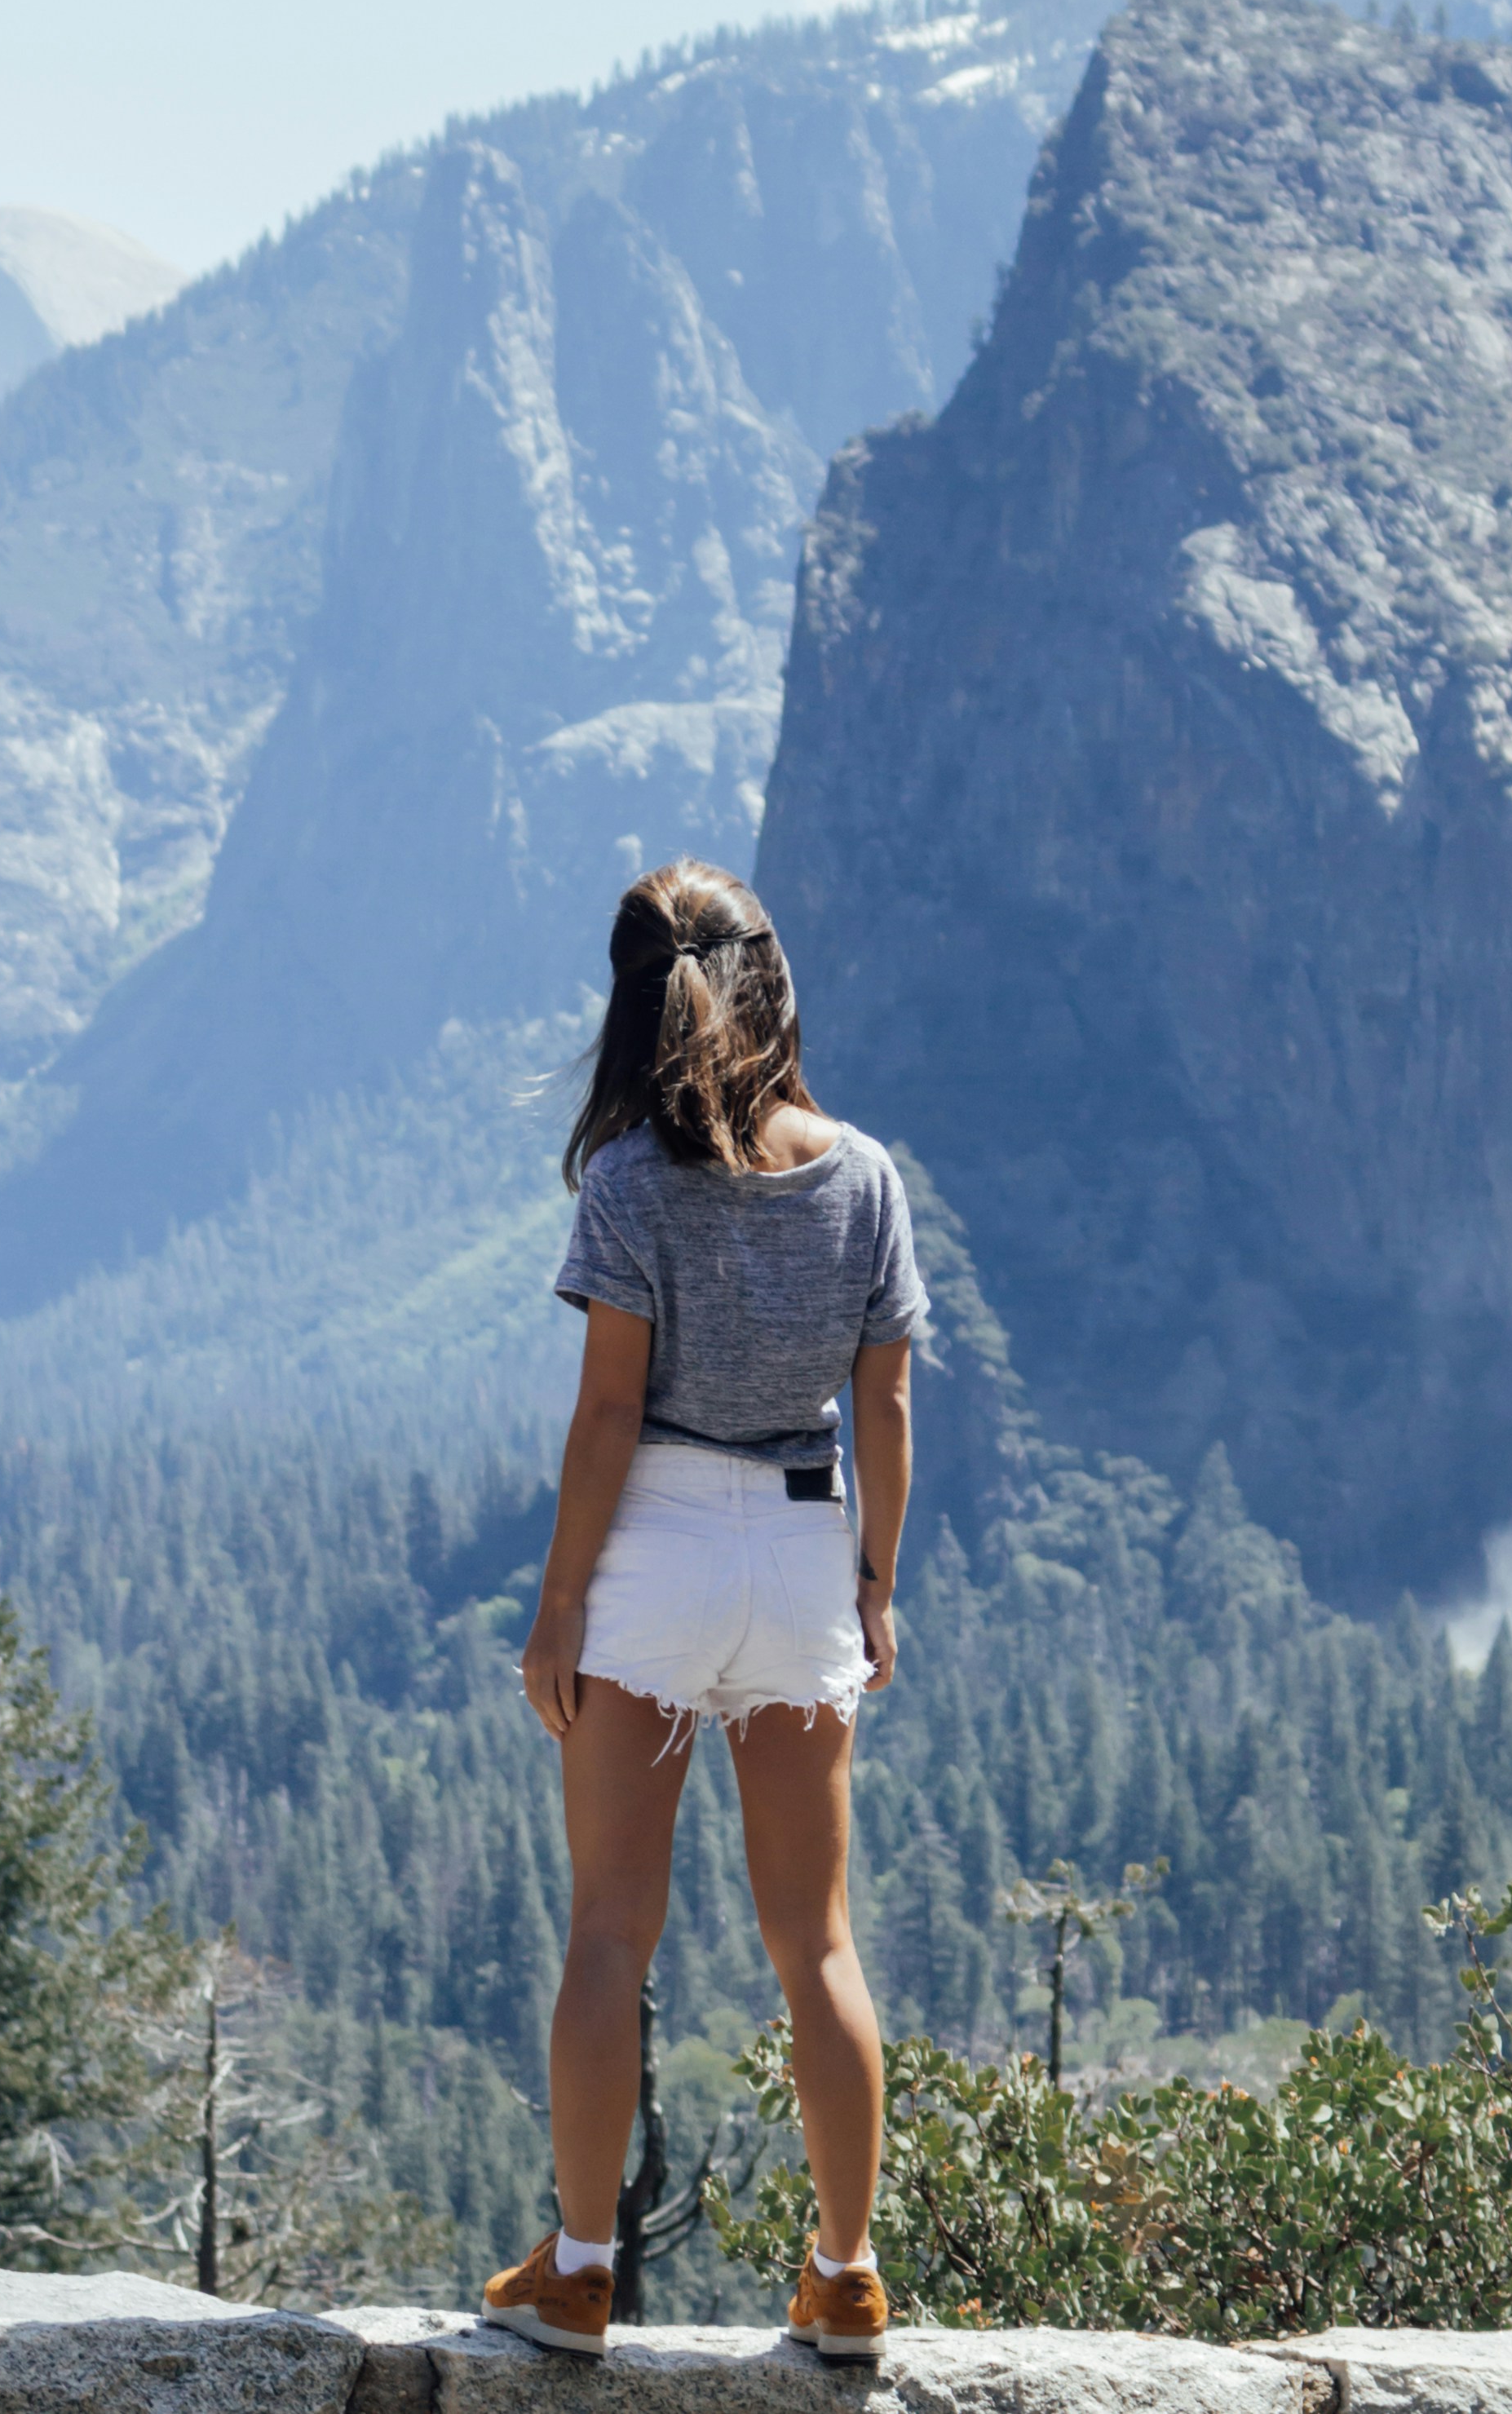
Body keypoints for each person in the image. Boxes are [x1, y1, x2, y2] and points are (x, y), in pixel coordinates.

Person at [480, 858, 920, 2362]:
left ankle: (582, 2271)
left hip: (656, 1548)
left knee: (612, 1931)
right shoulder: (861, 1176)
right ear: (771, 981)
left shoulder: (629, 1186)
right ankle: (847, 2276)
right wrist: (872, 1589)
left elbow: (606, 1419)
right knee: (818, 1944)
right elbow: (889, 1403)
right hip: (804, 1544)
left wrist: (556, 1614)